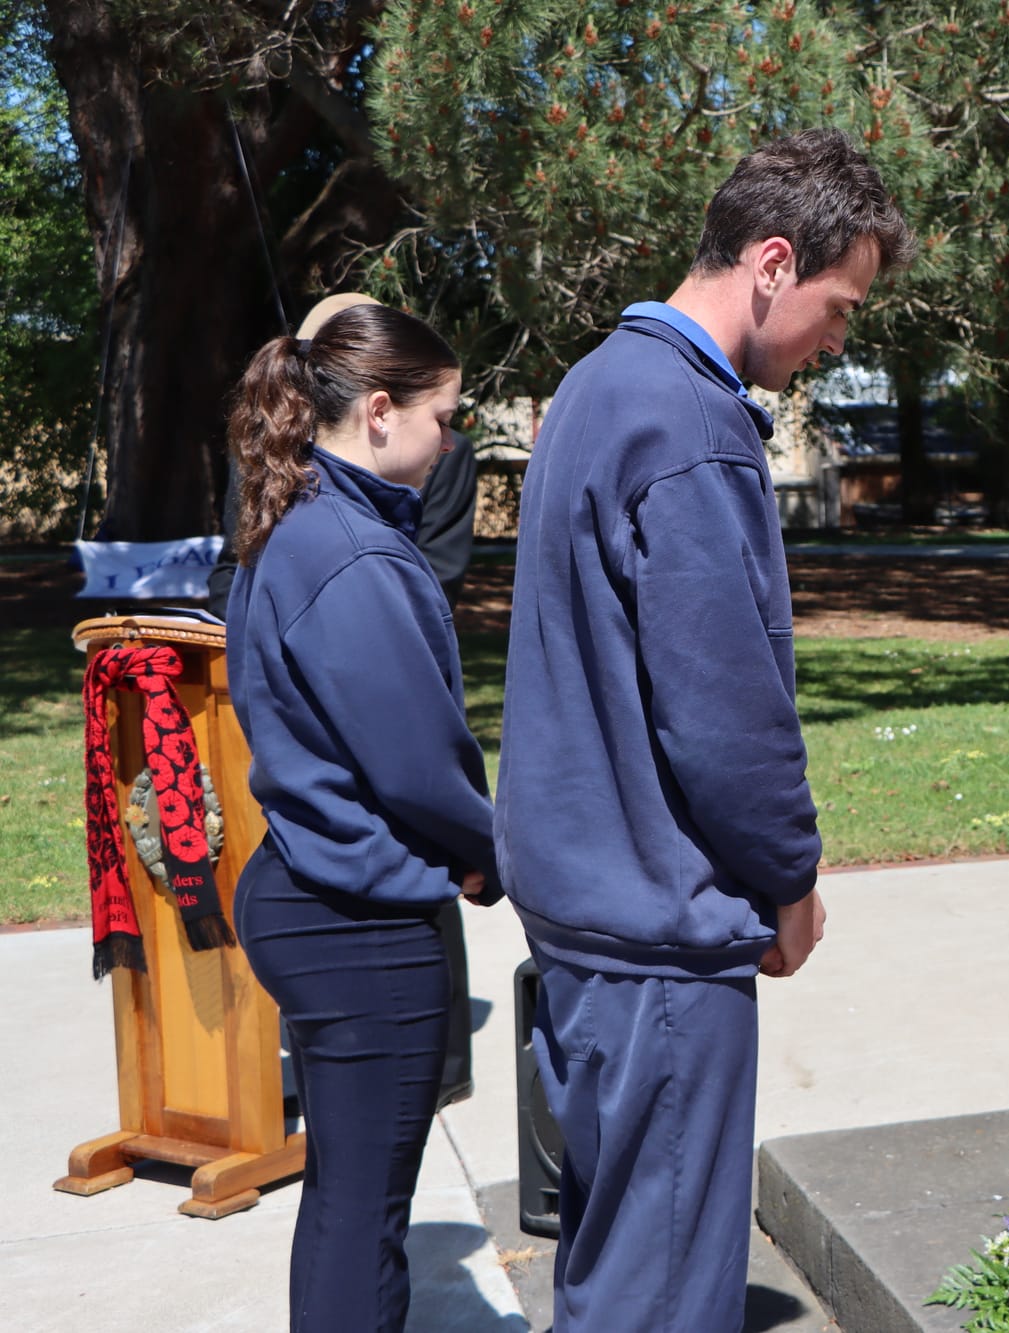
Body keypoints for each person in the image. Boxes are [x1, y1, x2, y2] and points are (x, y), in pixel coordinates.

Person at [496, 127, 914, 1330]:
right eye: (839, 306)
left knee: (613, 1249)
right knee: (661, 1286)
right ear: (773, 263)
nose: (839, 340)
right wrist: (790, 876)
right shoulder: (688, 421)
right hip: (656, 931)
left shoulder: (595, 384)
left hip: (587, 902)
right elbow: (726, 711)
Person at [224, 301, 502, 1331]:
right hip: (353, 922)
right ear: (378, 411)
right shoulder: (353, 554)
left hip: (310, 894)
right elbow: (419, 768)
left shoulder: (296, 523)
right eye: (445, 416)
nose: (451, 442)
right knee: (363, 1210)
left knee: (343, 1197)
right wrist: (490, 855)